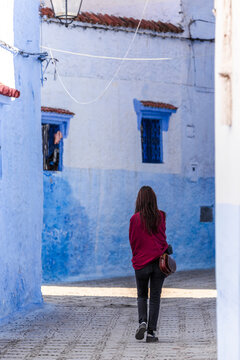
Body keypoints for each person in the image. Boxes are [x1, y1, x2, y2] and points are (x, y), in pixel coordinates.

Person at [129, 186, 172, 343]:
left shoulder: (134, 219)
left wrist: (137, 258)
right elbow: (162, 239)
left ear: (139, 200)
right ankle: (151, 333)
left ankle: (142, 322)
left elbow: (133, 242)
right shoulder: (161, 216)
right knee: (155, 297)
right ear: (154, 199)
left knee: (141, 295)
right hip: (158, 263)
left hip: (141, 263)